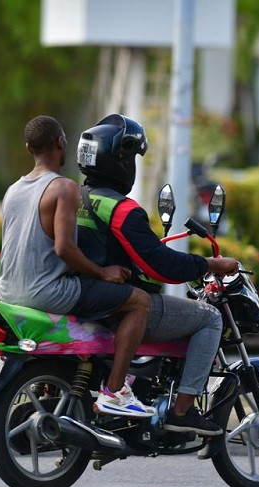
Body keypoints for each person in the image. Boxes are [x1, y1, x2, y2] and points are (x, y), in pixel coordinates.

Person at [75, 113, 240, 436]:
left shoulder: (75, 198)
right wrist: (209, 265)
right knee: (209, 318)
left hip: (81, 295)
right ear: (119, 161)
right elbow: (160, 266)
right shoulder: (122, 209)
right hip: (117, 305)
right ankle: (182, 410)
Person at [0, 115, 154, 417]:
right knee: (138, 301)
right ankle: (116, 391)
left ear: (29, 147)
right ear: (60, 142)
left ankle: (57, 384)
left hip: (7, 294)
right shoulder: (64, 188)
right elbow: (64, 247)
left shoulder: (13, 190)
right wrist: (103, 272)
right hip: (46, 292)